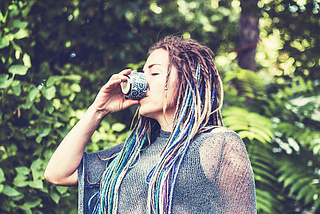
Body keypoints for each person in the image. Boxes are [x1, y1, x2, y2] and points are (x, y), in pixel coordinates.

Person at [45, 36, 256, 214]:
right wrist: (98, 110)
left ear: (188, 80)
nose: (142, 81)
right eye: (142, 73)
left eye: (154, 73)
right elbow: (57, 173)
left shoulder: (217, 144)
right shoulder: (130, 154)